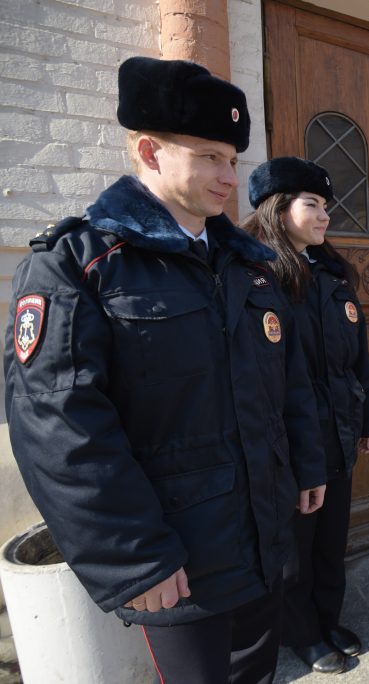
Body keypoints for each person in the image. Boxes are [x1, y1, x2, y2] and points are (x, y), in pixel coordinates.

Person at [4, 57, 326, 683]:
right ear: (149, 152)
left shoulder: (248, 265)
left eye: (232, 159)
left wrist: (307, 465)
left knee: (258, 672)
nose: (228, 176)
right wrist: (136, 557)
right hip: (176, 559)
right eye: (209, 156)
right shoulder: (82, 265)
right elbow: (59, 424)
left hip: (262, 532)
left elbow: (286, 382)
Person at [242, 157, 369, 674]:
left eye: (326, 206)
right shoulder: (259, 277)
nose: (325, 215)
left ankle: (327, 618)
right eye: (313, 205)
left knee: (331, 538)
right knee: (296, 548)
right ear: (278, 210)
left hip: (339, 430)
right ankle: (300, 632)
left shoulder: (332, 273)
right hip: (291, 439)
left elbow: (359, 355)